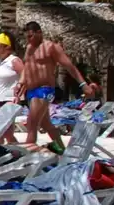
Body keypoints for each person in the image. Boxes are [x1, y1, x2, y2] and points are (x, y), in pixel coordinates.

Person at [16, 21, 91, 149]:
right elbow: (27, 66)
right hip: (32, 90)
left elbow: (69, 66)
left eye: (31, 36)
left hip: (45, 89)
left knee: (32, 122)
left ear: (39, 32)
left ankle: (27, 153)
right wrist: (21, 82)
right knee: (46, 124)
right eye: (27, 37)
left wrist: (83, 84)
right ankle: (61, 149)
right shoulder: (29, 48)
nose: (29, 40)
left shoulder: (51, 47)